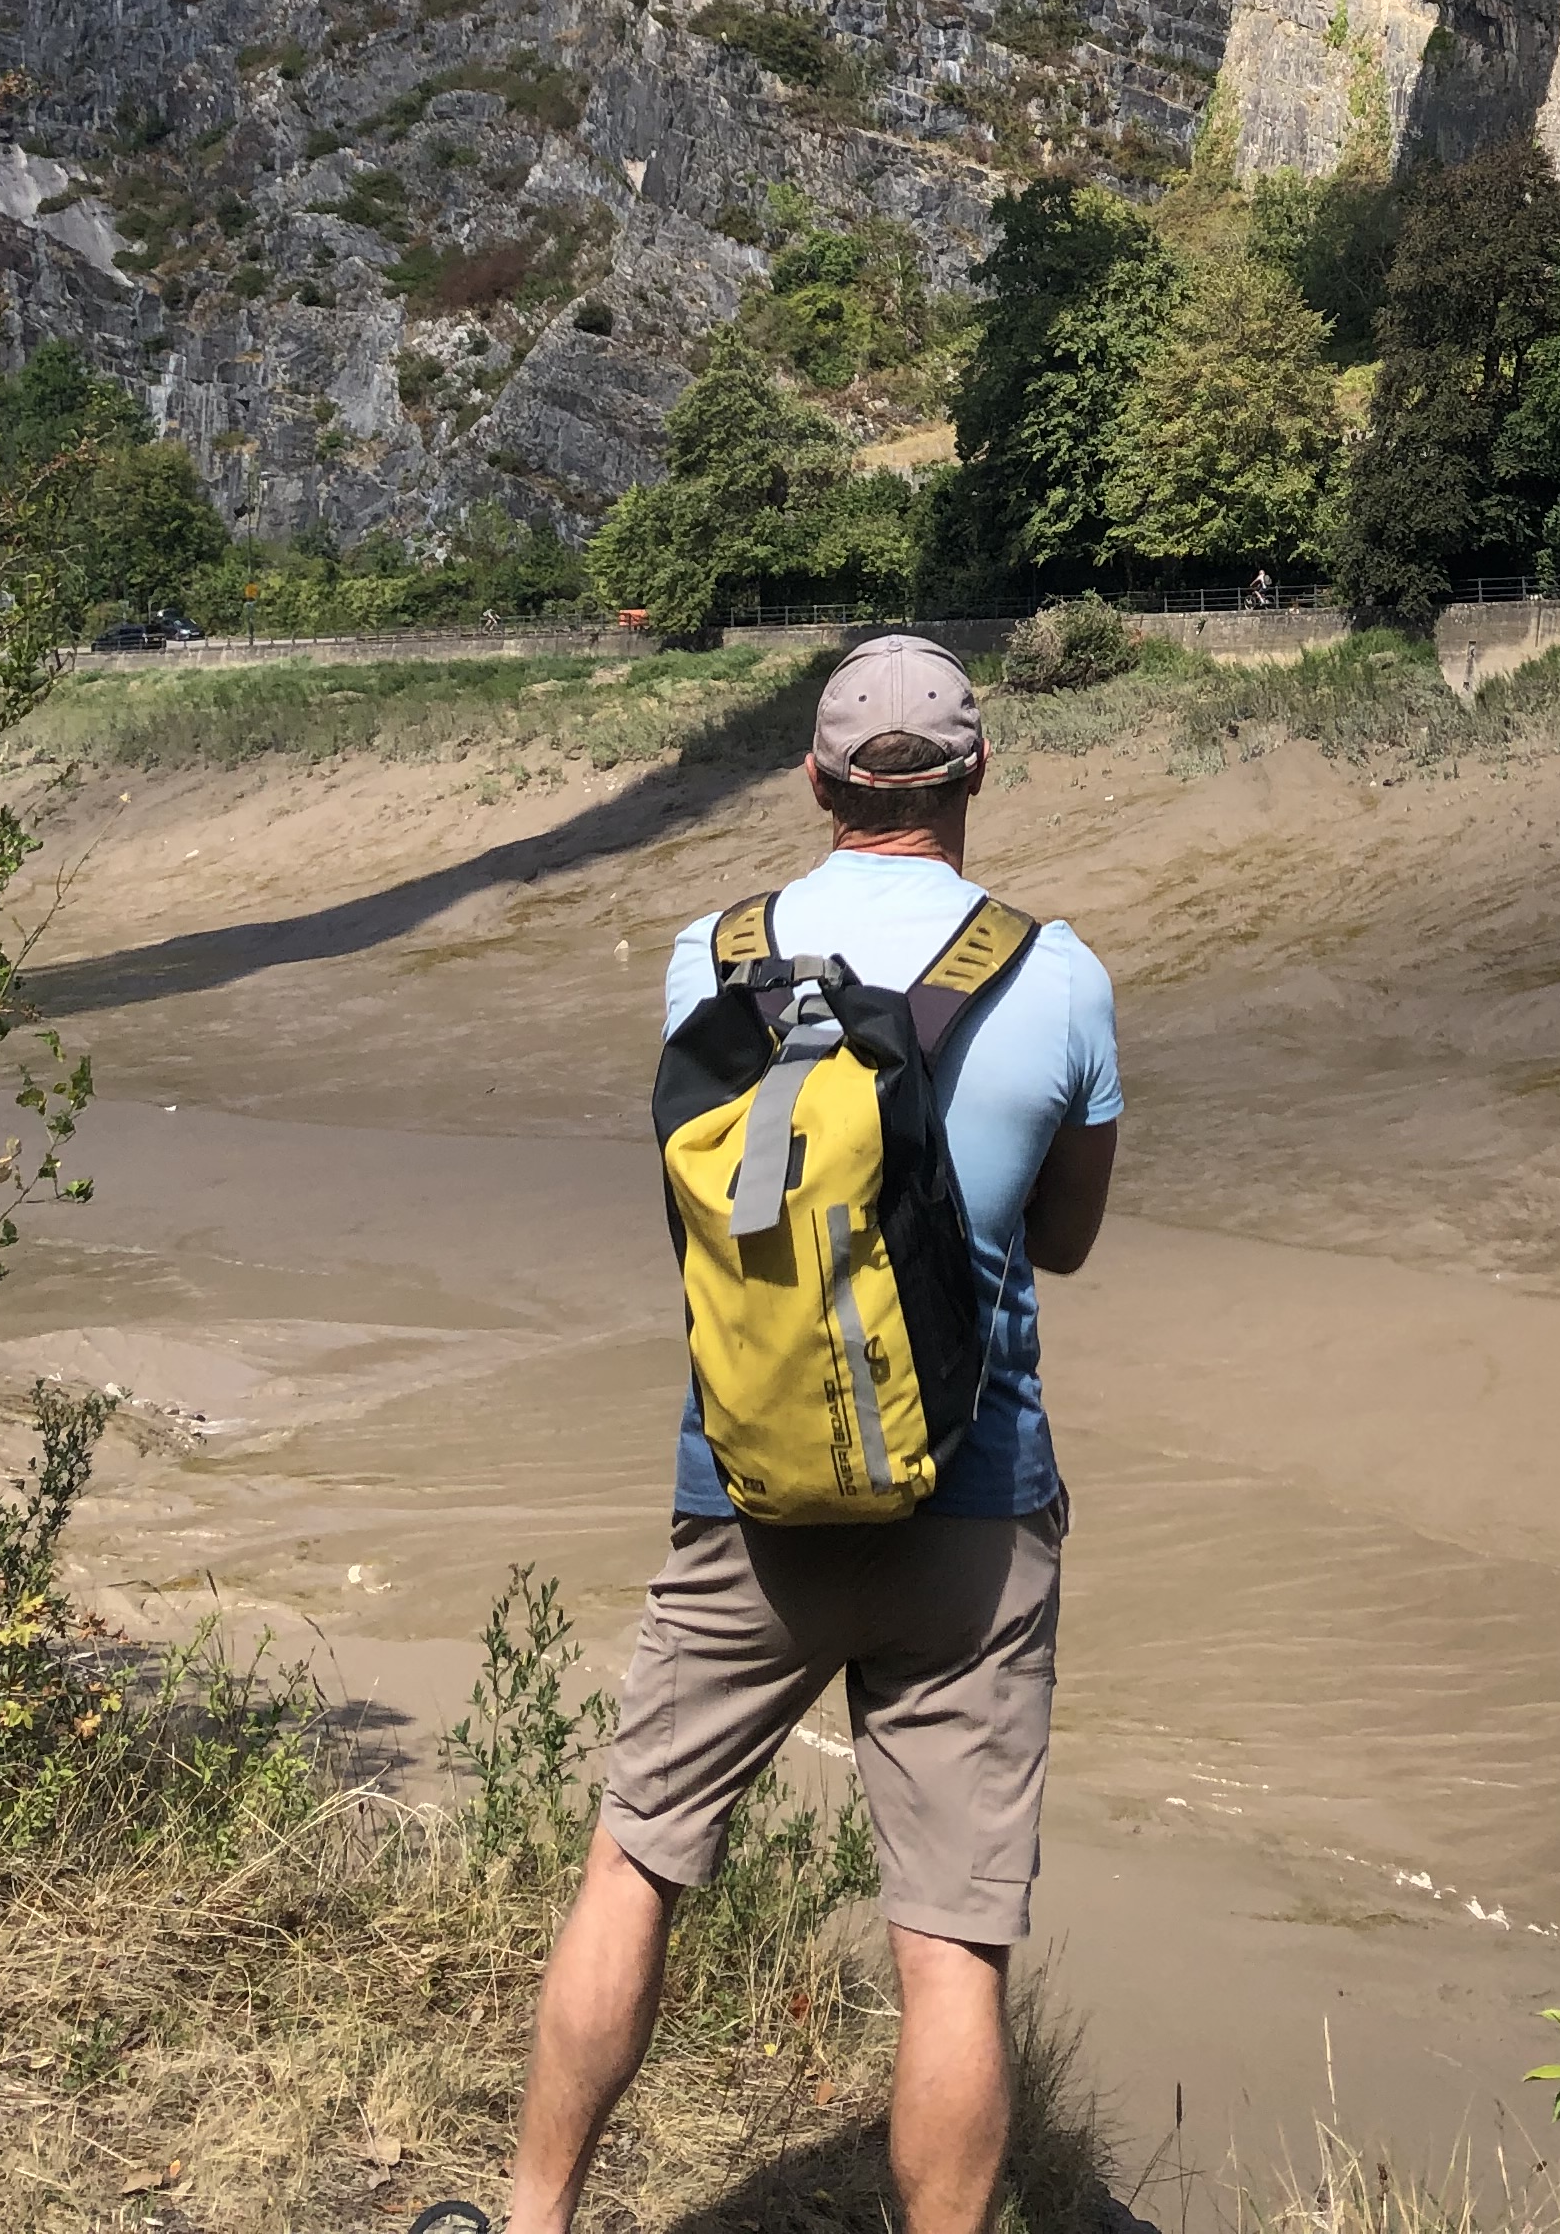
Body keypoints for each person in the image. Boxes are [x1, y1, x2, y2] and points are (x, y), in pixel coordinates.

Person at [492, 632, 1121, 2234]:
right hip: (973, 1514)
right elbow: (1065, 1242)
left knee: (634, 1863)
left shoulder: (709, 958)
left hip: (747, 1498)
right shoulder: (1059, 974)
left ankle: (536, 2219)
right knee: (951, 1946)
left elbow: (706, 1216)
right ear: (978, 773)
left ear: (816, 779)